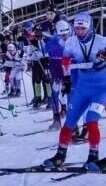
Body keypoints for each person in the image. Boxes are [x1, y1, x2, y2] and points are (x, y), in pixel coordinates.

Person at [42, 12, 105, 171]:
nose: (79, 32)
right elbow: (66, 60)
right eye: (77, 28)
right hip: (83, 88)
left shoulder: (101, 41)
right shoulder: (71, 41)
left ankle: (93, 156)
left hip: (101, 89)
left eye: (82, 28)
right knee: (69, 122)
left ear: (89, 28)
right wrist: (68, 80)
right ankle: (60, 156)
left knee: (91, 120)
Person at [43, 20, 71, 130]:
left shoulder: (72, 40)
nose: (64, 36)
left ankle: (66, 112)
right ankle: (56, 119)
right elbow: (42, 52)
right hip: (55, 66)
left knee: (68, 90)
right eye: (62, 34)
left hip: (68, 66)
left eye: (66, 34)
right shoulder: (53, 41)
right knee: (55, 90)